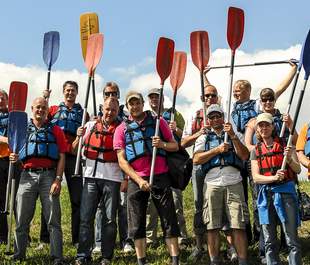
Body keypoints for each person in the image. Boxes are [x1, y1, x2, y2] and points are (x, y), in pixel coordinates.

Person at [114, 91, 180, 265]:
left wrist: (162, 144)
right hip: (137, 180)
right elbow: (122, 161)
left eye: (137, 103)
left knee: (169, 220)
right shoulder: (121, 129)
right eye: (131, 104)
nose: (134, 107)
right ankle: (141, 260)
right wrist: (139, 180)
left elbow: (175, 146)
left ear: (143, 103)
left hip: (160, 175)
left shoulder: (159, 122)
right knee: (136, 223)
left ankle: (175, 260)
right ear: (127, 107)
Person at [181, 83, 238, 261]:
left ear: (217, 96)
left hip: (223, 166)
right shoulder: (194, 115)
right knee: (199, 205)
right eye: (206, 96)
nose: (209, 99)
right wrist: (199, 133)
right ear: (201, 98)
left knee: (225, 205)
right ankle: (200, 246)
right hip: (200, 165)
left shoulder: (225, 114)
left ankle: (230, 247)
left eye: (212, 95)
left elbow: (235, 136)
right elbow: (183, 143)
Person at [10, 97, 66, 265]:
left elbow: (62, 155)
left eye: (44, 107)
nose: (40, 110)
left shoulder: (55, 130)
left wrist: (58, 179)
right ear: (32, 108)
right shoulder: (22, 129)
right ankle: (19, 254)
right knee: (21, 218)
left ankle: (57, 257)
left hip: (49, 176)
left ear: (48, 110)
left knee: (53, 219)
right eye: (37, 107)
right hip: (26, 175)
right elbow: (15, 150)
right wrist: (14, 157)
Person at [244, 88, 297, 263]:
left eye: (267, 124)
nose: (264, 128)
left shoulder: (285, 145)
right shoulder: (256, 151)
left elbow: (297, 170)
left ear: (273, 126)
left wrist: (289, 159)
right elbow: (257, 177)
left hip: (286, 193)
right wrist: (274, 178)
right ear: (257, 130)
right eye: (261, 126)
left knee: (291, 240)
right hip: (266, 195)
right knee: (269, 240)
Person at [193, 104, 249, 265]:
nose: (215, 119)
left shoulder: (233, 133)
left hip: (234, 181)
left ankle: (243, 261)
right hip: (212, 183)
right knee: (212, 226)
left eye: (218, 116)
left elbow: (244, 155)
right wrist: (216, 150)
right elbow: (196, 159)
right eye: (212, 117)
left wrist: (232, 136)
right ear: (208, 121)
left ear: (223, 117)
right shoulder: (204, 137)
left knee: (238, 225)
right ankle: (214, 261)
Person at [73, 97, 123, 265]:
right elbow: (74, 149)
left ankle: (106, 256)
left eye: (114, 110)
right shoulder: (89, 126)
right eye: (108, 109)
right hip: (91, 178)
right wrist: (78, 136)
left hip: (113, 178)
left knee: (109, 220)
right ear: (102, 108)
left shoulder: (122, 128)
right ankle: (82, 255)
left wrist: (126, 178)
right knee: (86, 218)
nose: (110, 113)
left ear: (118, 111)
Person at [41, 81, 88, 247]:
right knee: (50, 197)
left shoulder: (83, 113)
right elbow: (41, 117)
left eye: (73, 91)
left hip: (73, 158)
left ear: (77, 93)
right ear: (63, 92)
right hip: (55, 156)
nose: (70, 93)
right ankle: (45, 239)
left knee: (77, 199)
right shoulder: (53, 109)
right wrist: (44, 98)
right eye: (67, 90)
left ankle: (76, 239)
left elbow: (88, 136)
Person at [146, 88, 189, 247]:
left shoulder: (174, 114)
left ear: (162, 98)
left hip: (172, 164)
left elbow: (185, 136)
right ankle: (151, 239)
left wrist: (175, 129)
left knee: (176, 202)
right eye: (151, 98)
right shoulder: (146, 116)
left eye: (156, 97)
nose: (154, 100)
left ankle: (181, 237)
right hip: (153, 165)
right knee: (151, 205)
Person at [93, 82, 134, 254]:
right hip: (103, 172)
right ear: (103, 96)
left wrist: (127, 177)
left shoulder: (126, 119)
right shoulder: (96, 119)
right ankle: (99, 242)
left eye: (115, 93)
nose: (112, 95)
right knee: (101, 208)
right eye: (108, 92)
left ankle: (126, 240)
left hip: (121, 169)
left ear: (118, 94)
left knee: (123, 207)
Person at [0, 89, 11, 244]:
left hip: (12, 159)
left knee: (16, 199)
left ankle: (23, 235)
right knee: (0, 199)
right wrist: (7, 139)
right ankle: (2, 235)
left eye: (2, 98)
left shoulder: (14, 117)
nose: (0, 100)